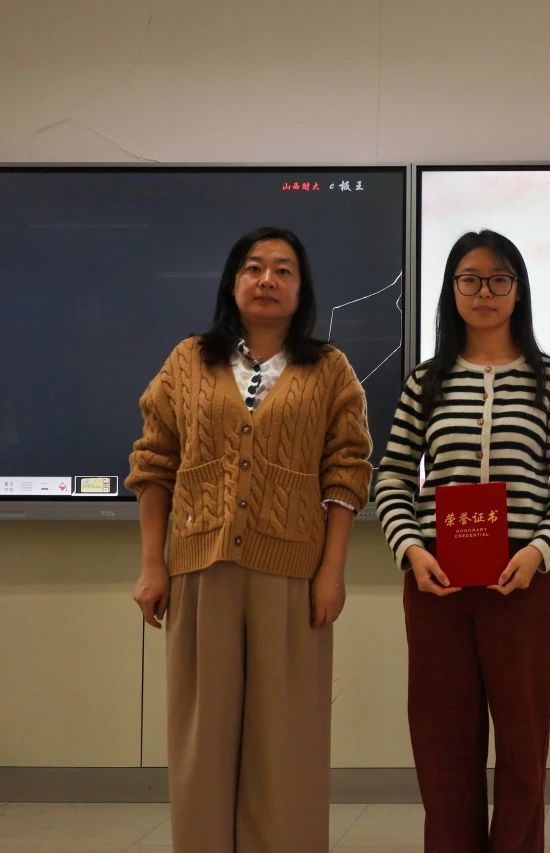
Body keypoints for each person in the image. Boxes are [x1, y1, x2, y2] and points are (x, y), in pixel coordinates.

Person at [128, 226, 373, 852]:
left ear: (302, 288)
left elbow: (348, 471)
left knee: (286, 743)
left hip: (292, 576)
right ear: (233, 282)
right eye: (254, 267)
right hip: (199, 571)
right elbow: (153, 462)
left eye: (284, 270)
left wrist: (332, 572)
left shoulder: (329, 370)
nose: (267, 280)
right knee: (201, 742)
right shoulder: (188, 361)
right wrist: (152, 565)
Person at [373, 229, 550, 852]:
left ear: (519, 291)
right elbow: (393, 475)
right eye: (469, 279)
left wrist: (538, 550)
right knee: (444, 751)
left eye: (498, 279)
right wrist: (411, 549)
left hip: (524, 589)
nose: (484, 292)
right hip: (438, 588)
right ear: (452, 291)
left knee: (524, 752)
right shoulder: (426, 381)